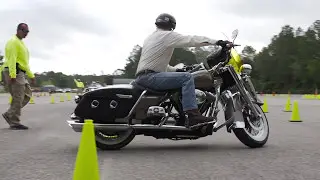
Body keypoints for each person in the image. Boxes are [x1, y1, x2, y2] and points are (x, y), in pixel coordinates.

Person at [135, 13, 232, 128]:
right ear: (172, 25)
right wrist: (217, 42)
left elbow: (161, 65)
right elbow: (191, 40)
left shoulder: (151, 38)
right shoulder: (167, 36)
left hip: (145, 76)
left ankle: (181, 115)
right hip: (150, 77)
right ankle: (193, 116)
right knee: (187, 77)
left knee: (182, 76)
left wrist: (177, 70)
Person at [1, 23, 35, 130]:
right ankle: (14, 121)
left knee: (27, 94)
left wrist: (31, 75)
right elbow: (12, 59)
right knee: (18, 97)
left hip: (21, 72)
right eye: (25, 31)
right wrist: (12, 74)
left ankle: (10, 114)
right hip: (14, 71)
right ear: (19, 30)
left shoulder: (21, 43)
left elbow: (24, 62)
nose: (26, 34)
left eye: (28, 32)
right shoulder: (13, 42)